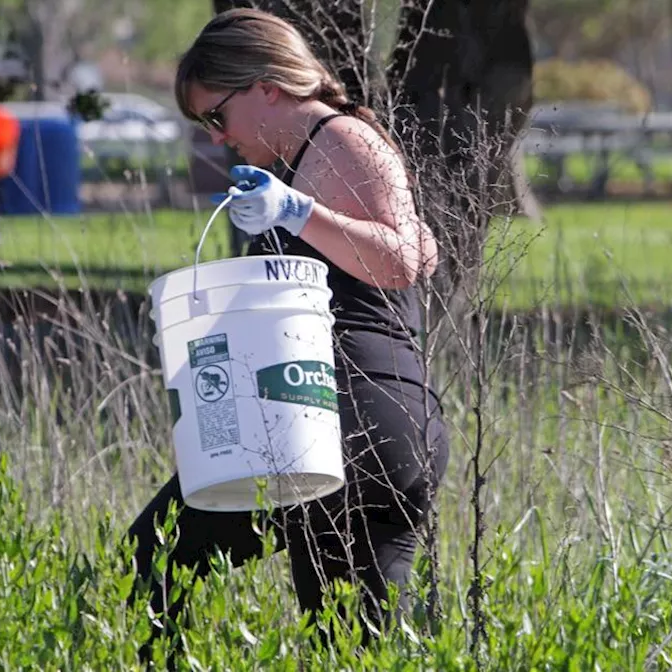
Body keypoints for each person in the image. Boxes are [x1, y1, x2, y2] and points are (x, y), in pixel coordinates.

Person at [126, 6, 450, 660]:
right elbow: (421, 241)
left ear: (266, 86)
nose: (216, 138)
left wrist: (298, 212)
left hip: (355, 427)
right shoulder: (306, 158)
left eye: (216, 116)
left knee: (156, 553)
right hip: (329, 428)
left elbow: (405, 260)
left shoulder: (343, 139)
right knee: (354, 648)